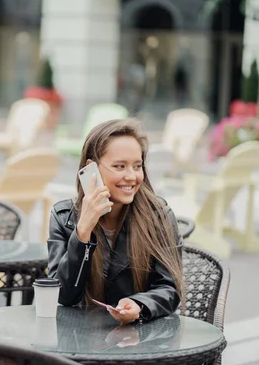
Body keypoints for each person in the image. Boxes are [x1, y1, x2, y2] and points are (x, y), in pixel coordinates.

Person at [47, 118, 183, 324]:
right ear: (92, 169)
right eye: (120, 166)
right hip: (80, 340)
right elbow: (63, 295)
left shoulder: (158, 215)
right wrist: (83, 231)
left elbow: (170, 288)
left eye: (137, 166)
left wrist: (139, 304)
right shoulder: (64, 217)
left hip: (143, 338)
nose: (131, 176)